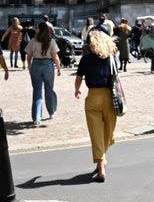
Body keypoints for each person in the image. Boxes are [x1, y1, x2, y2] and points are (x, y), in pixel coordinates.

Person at [73, 28, 118, 182]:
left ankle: (101, 160)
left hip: (93, 97)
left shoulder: (85, 59)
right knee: (108, 132)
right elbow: (116, 78)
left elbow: (79, 77)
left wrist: (77, 90)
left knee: (96, 133)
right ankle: (101, 165)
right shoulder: (111, 58)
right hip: (109, 97)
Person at [24, 20, 62, 124]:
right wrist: (58, 67)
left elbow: (29, 55)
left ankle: (37, 117)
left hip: (36, 64)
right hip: (48, 65)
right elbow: (55, 57)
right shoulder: (51, 41)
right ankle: (51, 111)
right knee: (49, 89)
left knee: (37, 91)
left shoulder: (33, 41)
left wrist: (29, 65)